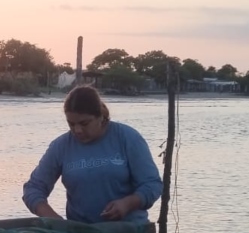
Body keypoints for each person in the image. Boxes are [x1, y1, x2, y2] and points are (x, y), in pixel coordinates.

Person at [22, 85, 162, 225]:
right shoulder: (61, 146)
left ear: (100, 117)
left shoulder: (127, 138)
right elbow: (33, 188)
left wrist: (128, 204)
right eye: (71, 124)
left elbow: (152, 184)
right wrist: (54, 219)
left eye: (84, 123)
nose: (77, 130)